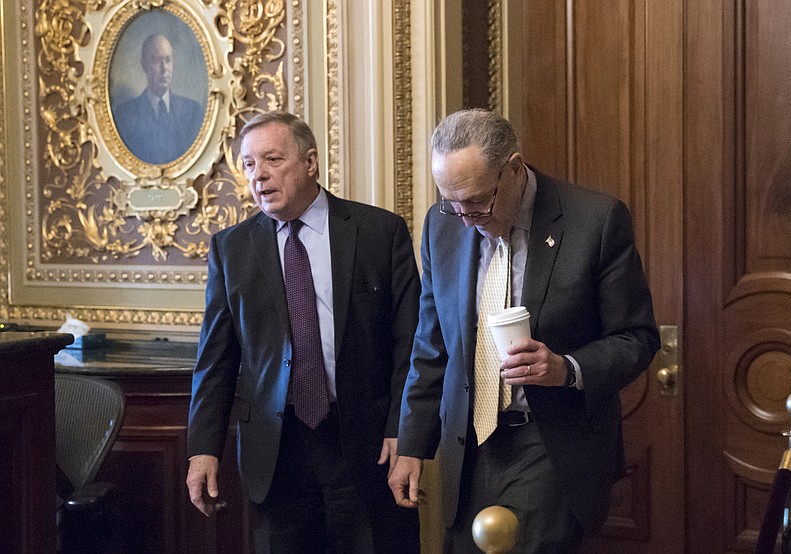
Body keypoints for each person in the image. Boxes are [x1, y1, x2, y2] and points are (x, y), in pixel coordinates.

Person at [388, 108, 660, 553]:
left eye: (477, 200)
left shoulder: (595, 220)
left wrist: (566, 368)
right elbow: (432, 343)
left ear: (514, 169)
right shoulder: (442, 226)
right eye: (451, 202)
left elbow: (637, 337)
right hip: (470, 445)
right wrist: (412, 444)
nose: (465, 216)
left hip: (549, 440)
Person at [186, 111, 421, 553]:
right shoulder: (231, 249)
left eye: (273, 159)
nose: (260, 176)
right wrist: (202, 449)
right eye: (250, 164)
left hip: (366, 444)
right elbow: (215, 360)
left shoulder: (378, 232)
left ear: (310, 162)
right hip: (277, 453)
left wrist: (404, 430)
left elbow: (410, 344)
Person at [114, 33, 204, 165]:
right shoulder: (125, 115)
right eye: (156, 60)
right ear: (144, 65)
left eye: (168, 60)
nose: (164, 68)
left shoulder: (193, 111)